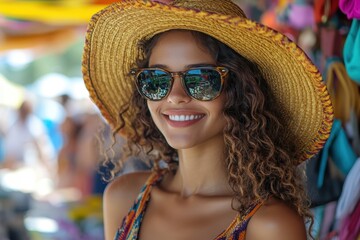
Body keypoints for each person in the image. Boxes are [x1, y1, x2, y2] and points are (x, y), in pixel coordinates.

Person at [82, 0, 334, 239]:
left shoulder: (270, 224)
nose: (175, 97)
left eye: (201, 79)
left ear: (242, 93)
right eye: (157, 79)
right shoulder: (123, 197)